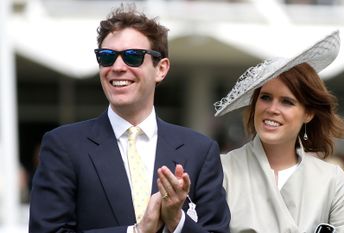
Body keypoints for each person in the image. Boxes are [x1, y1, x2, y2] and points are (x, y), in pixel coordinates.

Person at [29, 4, 230, 233]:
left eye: (132, 57)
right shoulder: (63, 145)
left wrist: (177, 221)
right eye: (107, 57)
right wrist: (136, 231)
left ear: (161, 69)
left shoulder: (200, 151)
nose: (117, 67)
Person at [213, 31, 344, 233]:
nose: (272, 109)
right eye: (265, 97)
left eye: (287, 102)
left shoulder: (332, 180)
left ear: (308, 113)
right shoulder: (222, 170)